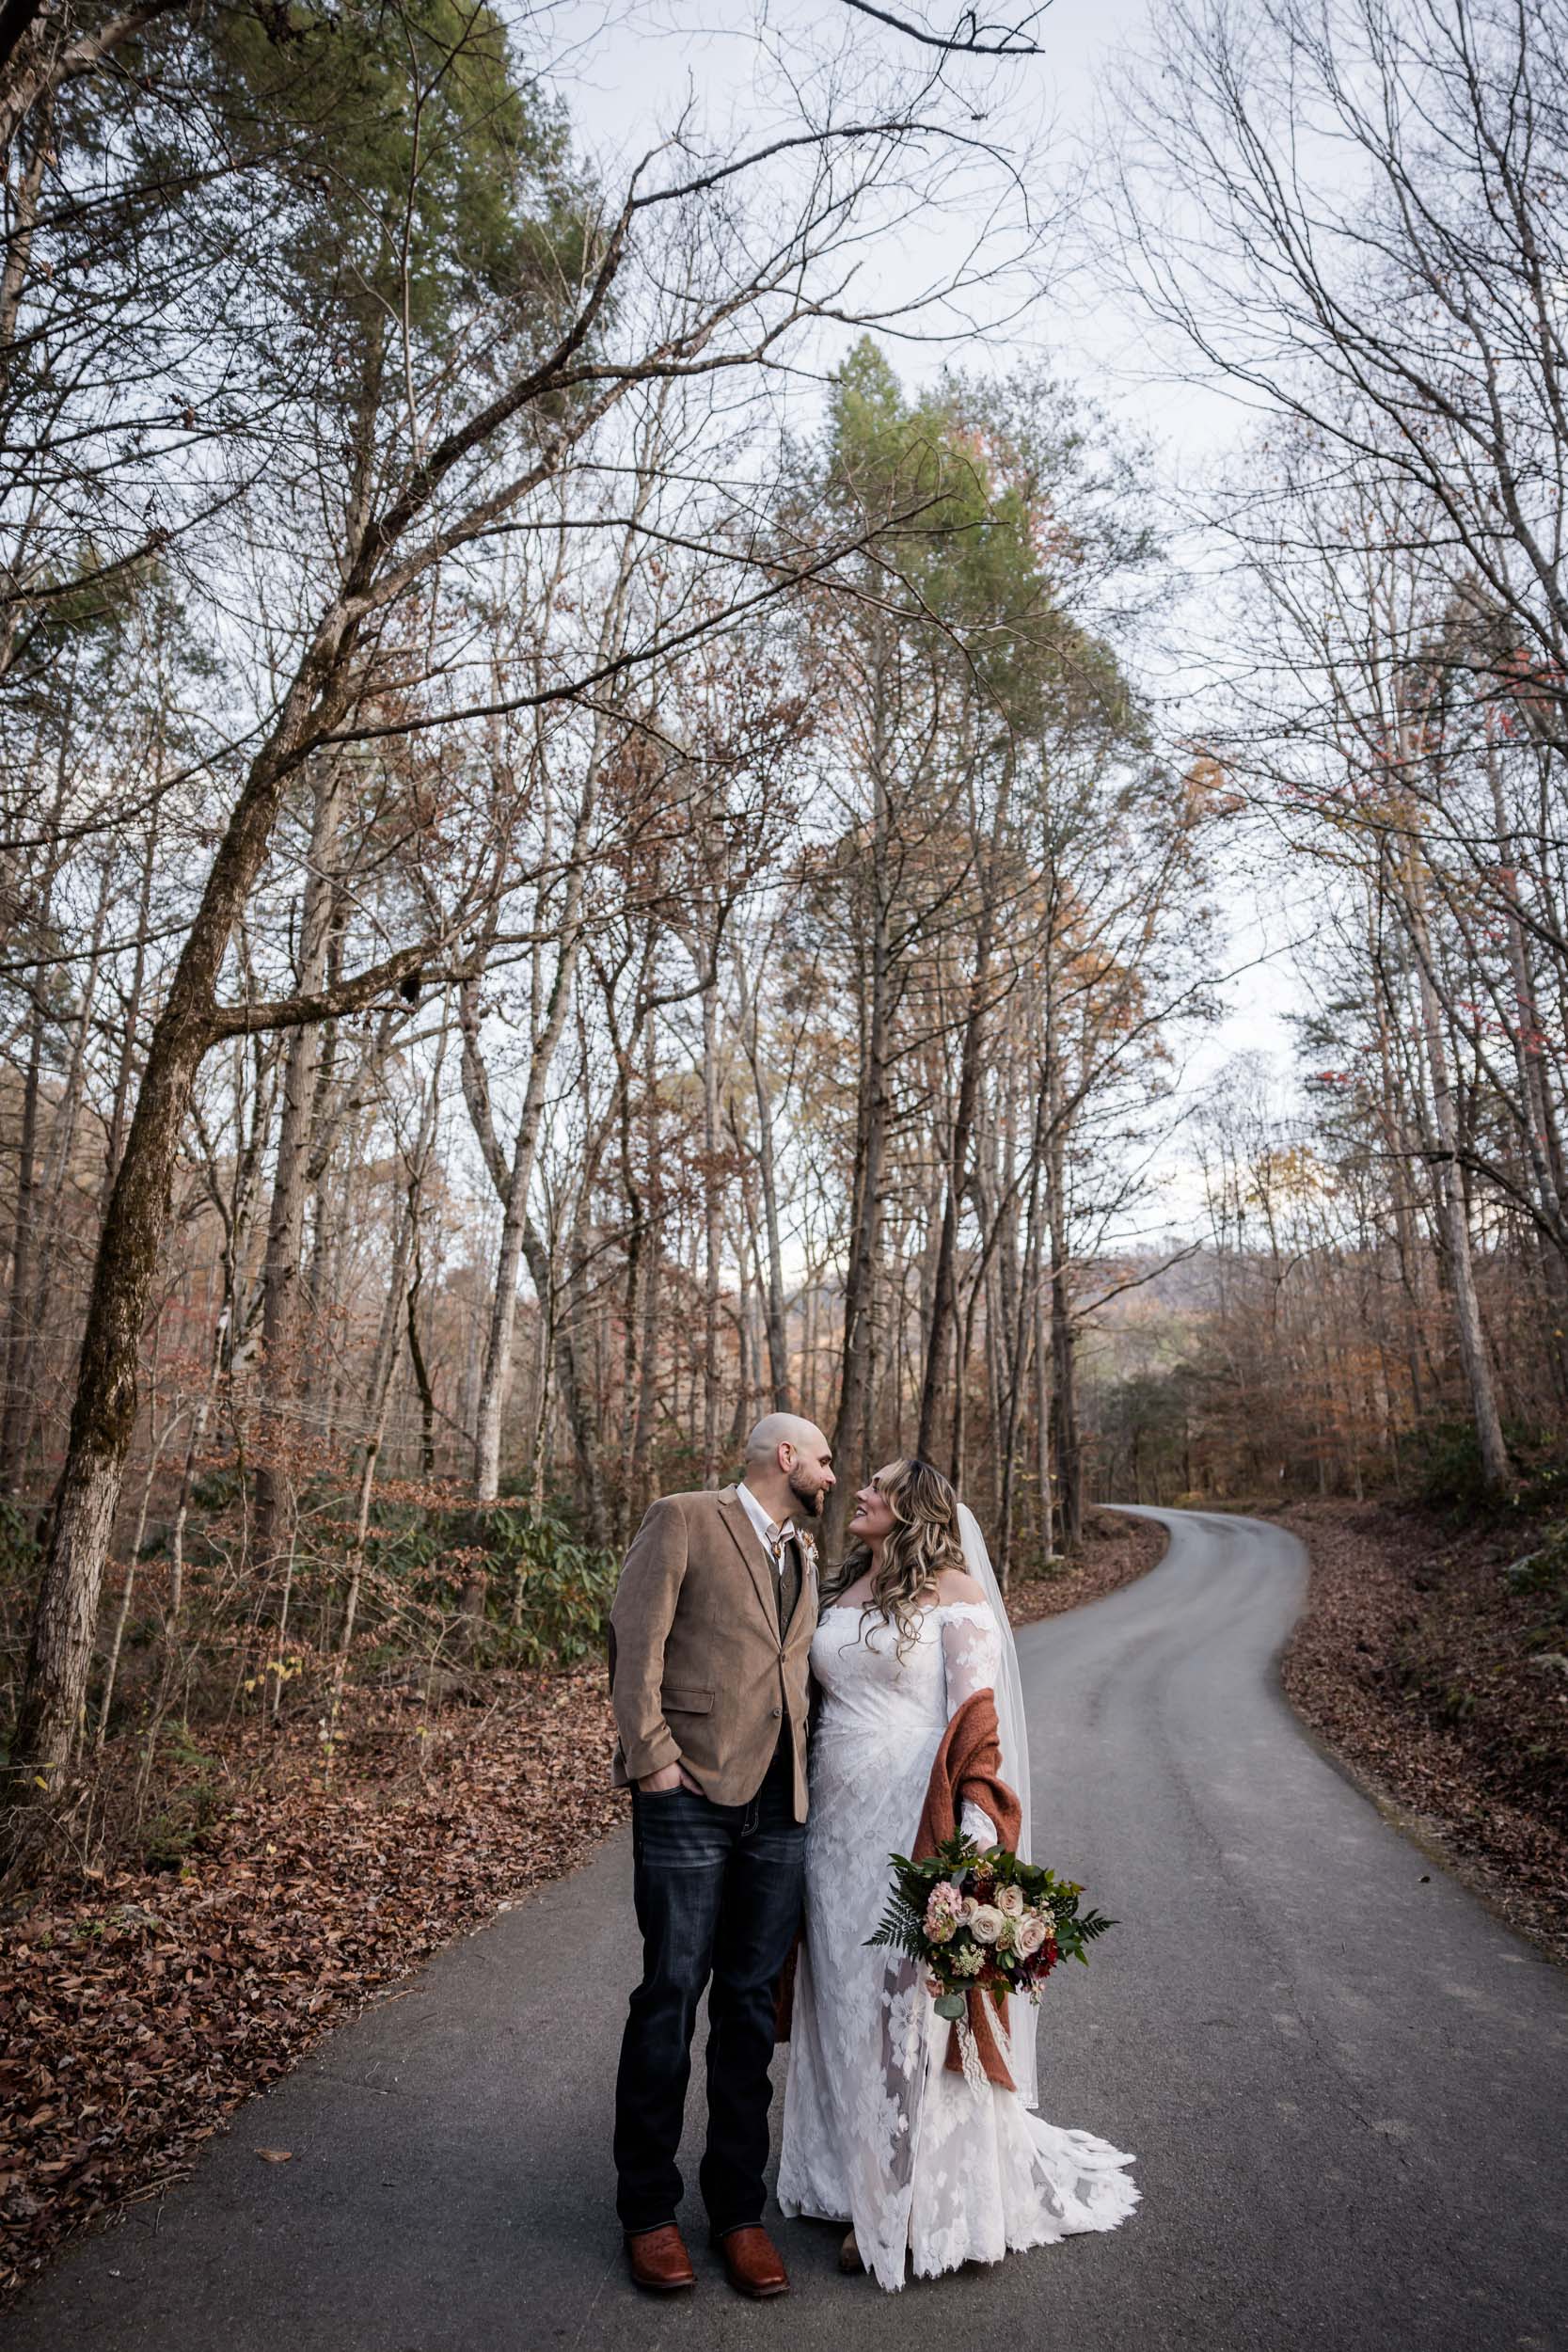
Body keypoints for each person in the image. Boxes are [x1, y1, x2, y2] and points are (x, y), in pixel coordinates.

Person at [776, 1454, 1139, 2291]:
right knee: (839, 2001)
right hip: (831, 1829)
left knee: (905, 2010)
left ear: (913, 1508)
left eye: (877, 1483)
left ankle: (900, 2200)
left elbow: (978, 1729)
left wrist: (972, 1846)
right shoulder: (839, 1592)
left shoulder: (958, 1599)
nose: (859, 1490)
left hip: (913, 1820)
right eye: (860, 1479)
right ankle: (840, 2178)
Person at [608, 1412, 834, 2299]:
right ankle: (648, 2213)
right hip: (688, 1800)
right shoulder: (684, 1517)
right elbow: (634, 1639)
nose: (827, 1472)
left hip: (783, 1811)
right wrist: (651, 1757)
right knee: (668, 1996)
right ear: (785, 1458)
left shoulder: (803, 1555)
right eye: (819, 1459)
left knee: (748, 2008)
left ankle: (738, 2212)